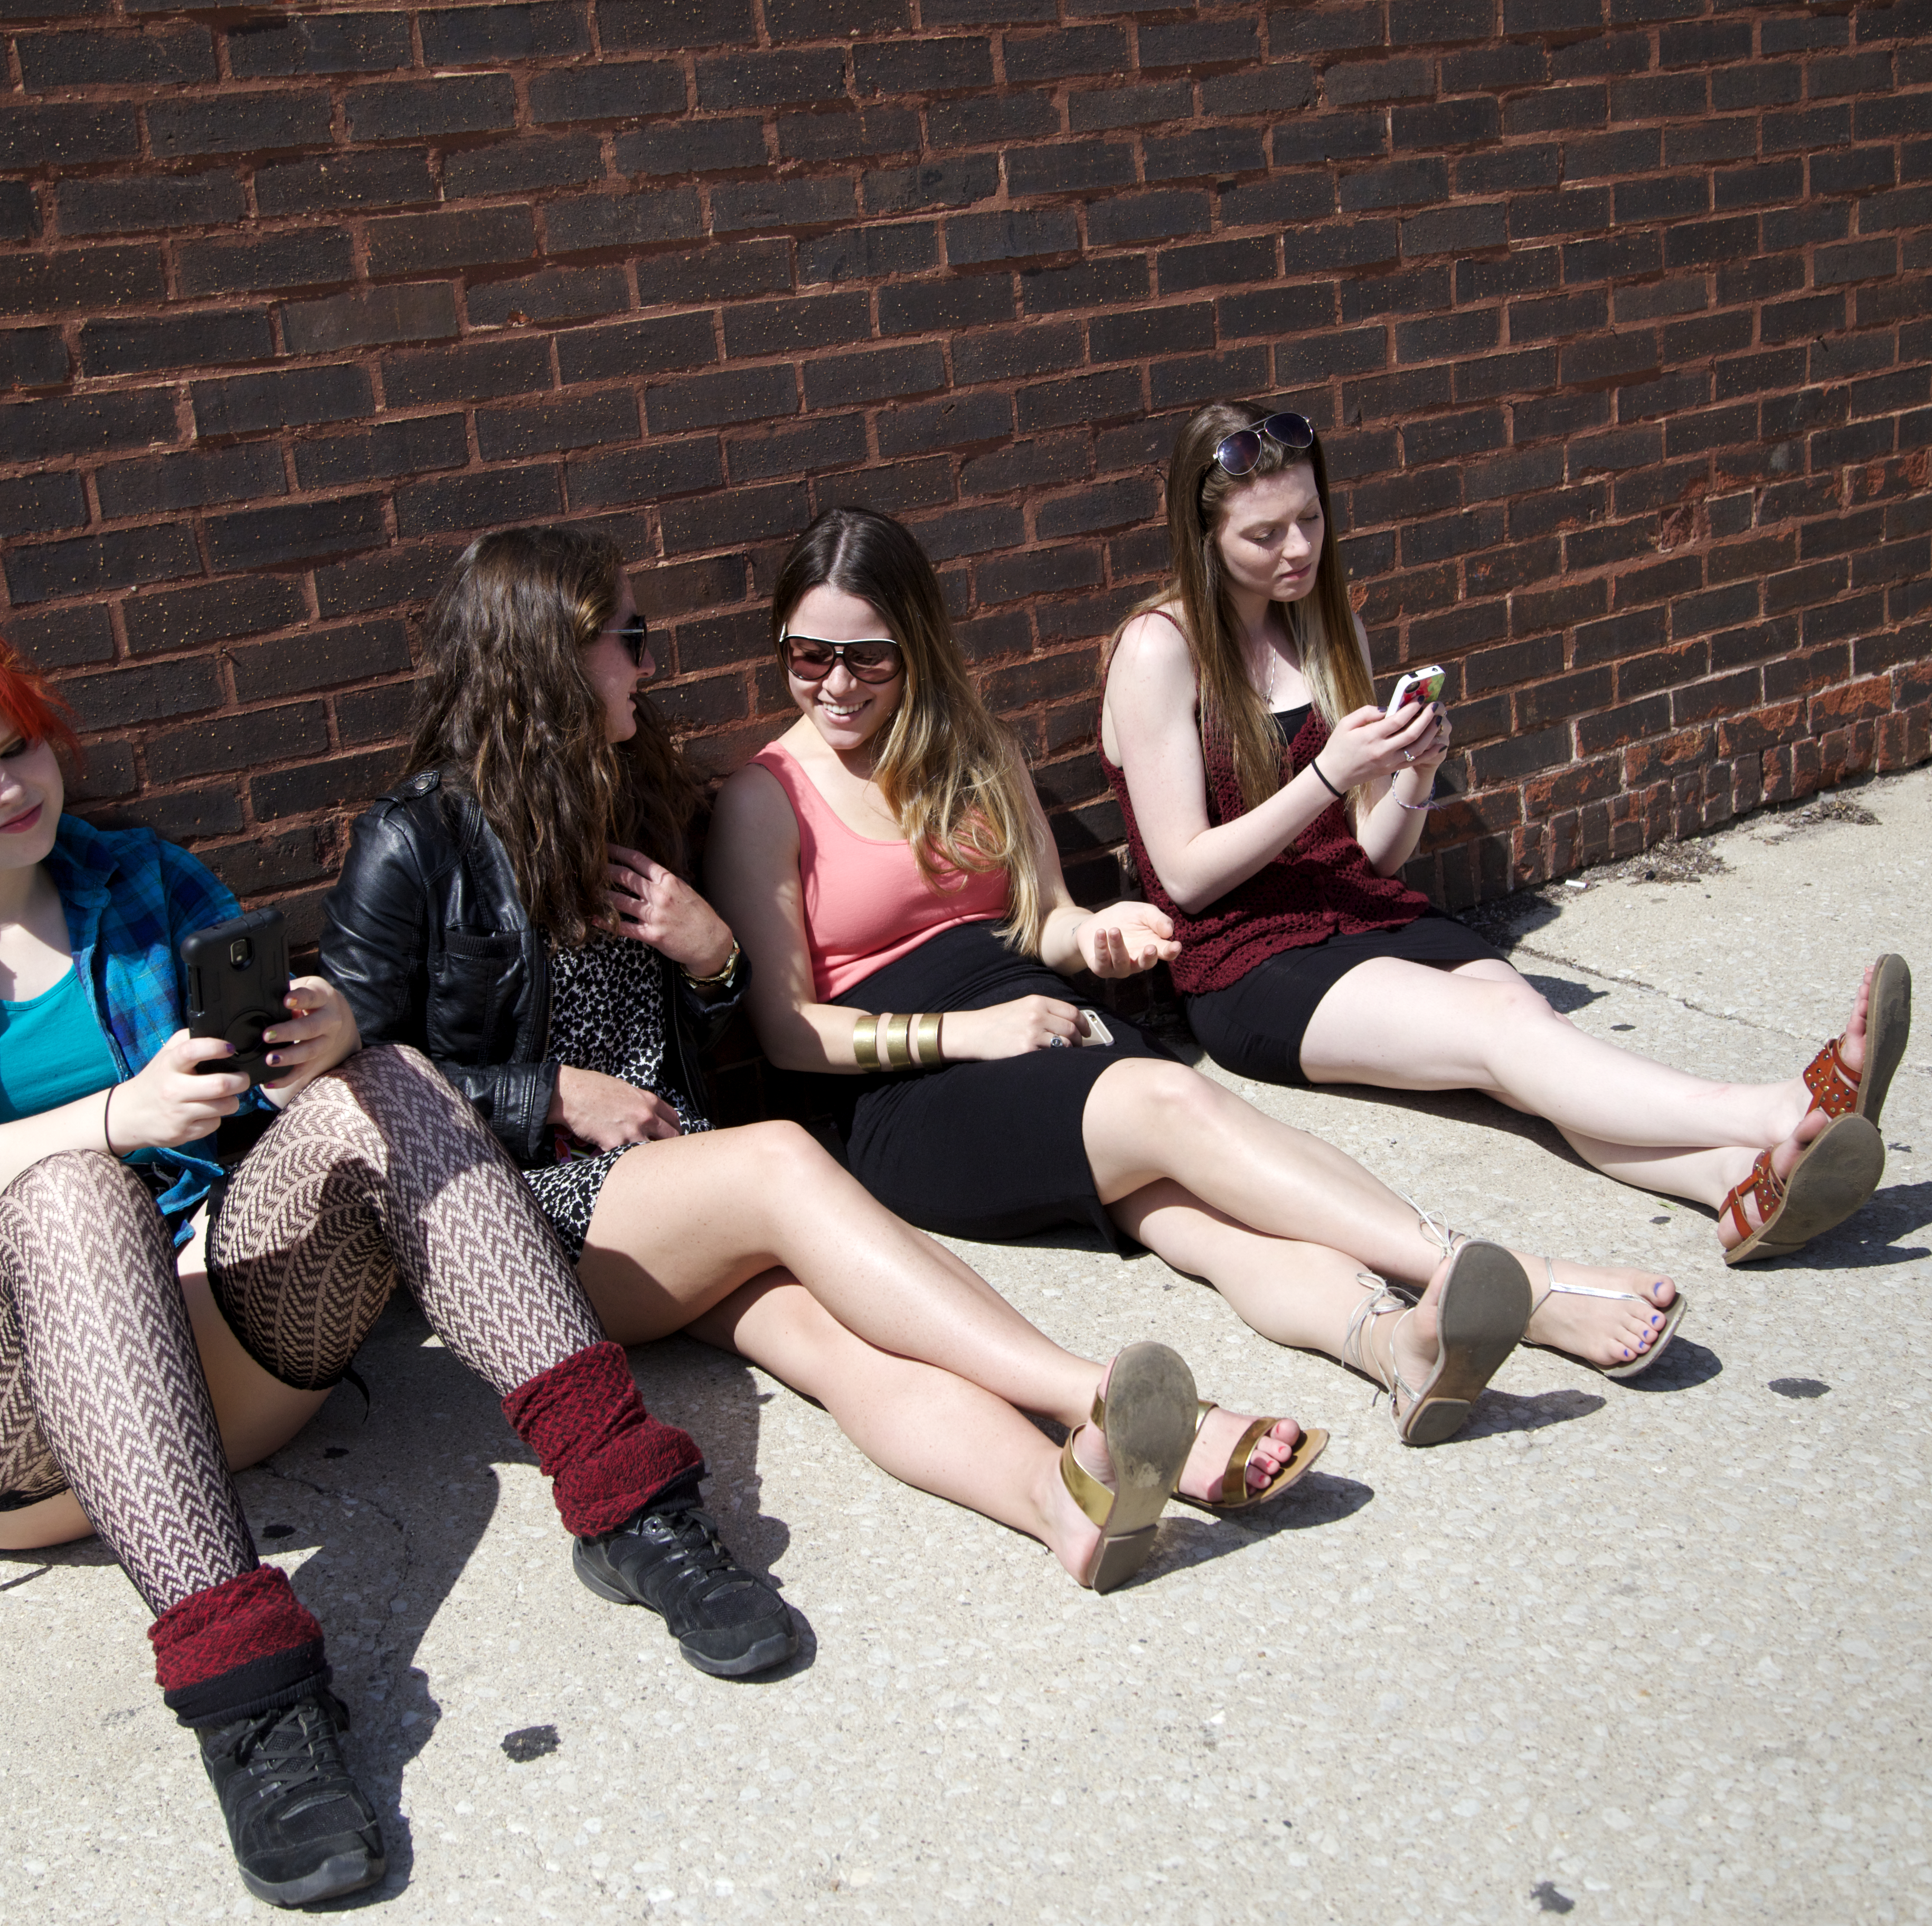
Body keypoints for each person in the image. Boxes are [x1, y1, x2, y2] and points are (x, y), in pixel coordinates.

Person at [0, 593, 790, 1911]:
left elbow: (270, 1095)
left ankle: (632, 1507)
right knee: (77, 1192)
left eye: (17, 747)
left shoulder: (139, 882)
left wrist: (316, 1044)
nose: (10, 790)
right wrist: (115, 1119)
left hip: (199, 1367)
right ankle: (253, 1706)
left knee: (399, 1076)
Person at [318, 526, 1317, 1597]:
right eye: (630, 639)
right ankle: (1093, 1394)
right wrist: (547, 1090)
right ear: (547, 659)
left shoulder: (630, 792)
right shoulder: (412, 841)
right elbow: (354, 1082)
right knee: (787, 1159)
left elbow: (680, 1036)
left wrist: (710, 961)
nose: (650, 665)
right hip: (520, 1225)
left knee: (845, 1352)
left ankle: (1062, 1508)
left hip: (671, 1194)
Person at [704, 506, 1677, 1443]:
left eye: (866, 655)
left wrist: (1096, 936)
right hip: (903, 1093)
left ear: (914, 643)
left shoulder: (975, 752)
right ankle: (1517, 1280)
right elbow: (787, 1031)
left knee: (1201, 1224)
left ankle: (1396, 1345)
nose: (836, 683)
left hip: (1040, 1026)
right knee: (1176, 1110)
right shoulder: (766, 798)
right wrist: (970, 1035)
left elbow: (1043, 918)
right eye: (808, 654)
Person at [1099, 400, 1910, 1283]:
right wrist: (1330, 773)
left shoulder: (1326, 629)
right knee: (1501, 1035)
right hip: (1248, 963)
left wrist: (1411, 776)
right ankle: (1775, 1110)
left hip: (1360, 911)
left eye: (1310, 519)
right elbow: (1182, 876)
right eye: (1264, 535)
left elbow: (1367, 860)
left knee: (1531, 1044)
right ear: (1204, 535)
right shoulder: (1159, 650)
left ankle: (1732, 1184)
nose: (1297, 550)